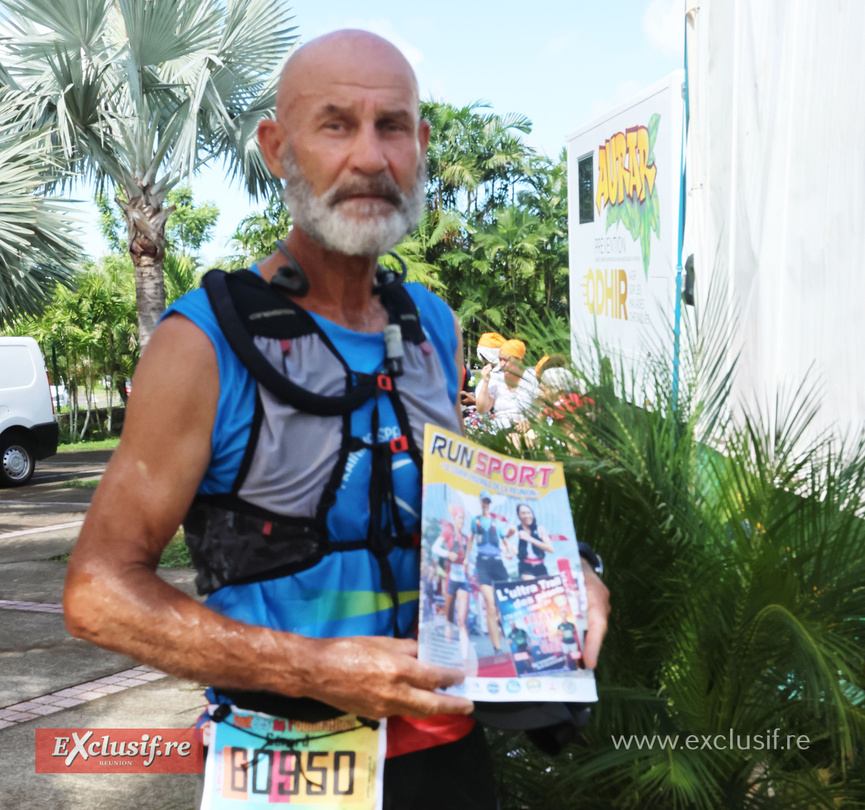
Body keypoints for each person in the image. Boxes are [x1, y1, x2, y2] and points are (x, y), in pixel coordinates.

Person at [62, 29, 609, 809]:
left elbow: (462, 528)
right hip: (283, 767)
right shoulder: (202, 342)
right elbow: (95, 592)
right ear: (277, 148)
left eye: (391, 127)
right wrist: (311, 670)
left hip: (447, 757)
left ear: (418, 146)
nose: (368, 157)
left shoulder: (432, 325)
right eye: (334, 125)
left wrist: (566, 576)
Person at [467, 490, 515, 654]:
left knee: (503, 604)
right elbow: (471, 540)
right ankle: (497, 648)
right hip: (483, 564)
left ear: (490, 503)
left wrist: (510, 550)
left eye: (488, 501)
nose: (485, 504)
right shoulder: (476, 521)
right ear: (481, 502)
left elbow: (505, 540)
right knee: (489, 604)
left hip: (498, 564)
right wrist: (466, 558)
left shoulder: (497, 523)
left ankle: (512, 638)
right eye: (483, 501)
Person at [431, 503, 471, 660]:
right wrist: (448, 553)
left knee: (462, 620)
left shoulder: (466, 538)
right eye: (459, 518)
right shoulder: (448, 532)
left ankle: (465, 659)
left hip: (464, 579)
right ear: (454, 518)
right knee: (449, 619)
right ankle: (447, 655)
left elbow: (469, 558)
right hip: (450, 579)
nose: (461, 521)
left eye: (463, 519)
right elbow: (435, 548)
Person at [475, 338, 539, 429]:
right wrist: (485, 382)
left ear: (519, 360)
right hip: (500, 429)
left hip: (525, 429)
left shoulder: (531, 378)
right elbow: (482, 409)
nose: (502, 364)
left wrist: (528, 424)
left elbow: (544, 410)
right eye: (500, 359)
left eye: (506, 360)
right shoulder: (496, 379)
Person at [514, 503, 554, 580]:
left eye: (529, 513)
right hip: (525, 567)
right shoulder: (515, 530)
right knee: (532, 584)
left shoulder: (540, 529)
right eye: (523, 513)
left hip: (540, 566)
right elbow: (507, 542)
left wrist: (529, 539)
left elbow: (550, 549)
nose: (527, 516)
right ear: (518, 515)